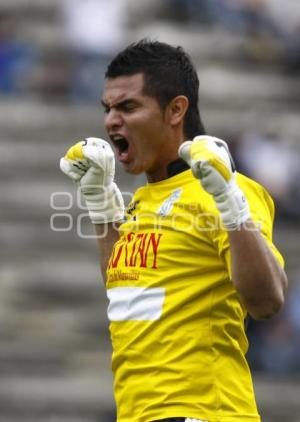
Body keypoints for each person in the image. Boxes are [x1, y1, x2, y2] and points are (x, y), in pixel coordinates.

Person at [59, 39, 288, 422]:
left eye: (128, 106)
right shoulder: (142, 200)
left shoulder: (228, 189)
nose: (110, 120)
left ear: (175, 110)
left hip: (203, 412)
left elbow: (267, 302)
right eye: (108, 108)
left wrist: (229, 202)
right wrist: (101, 204)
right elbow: (125, 290)